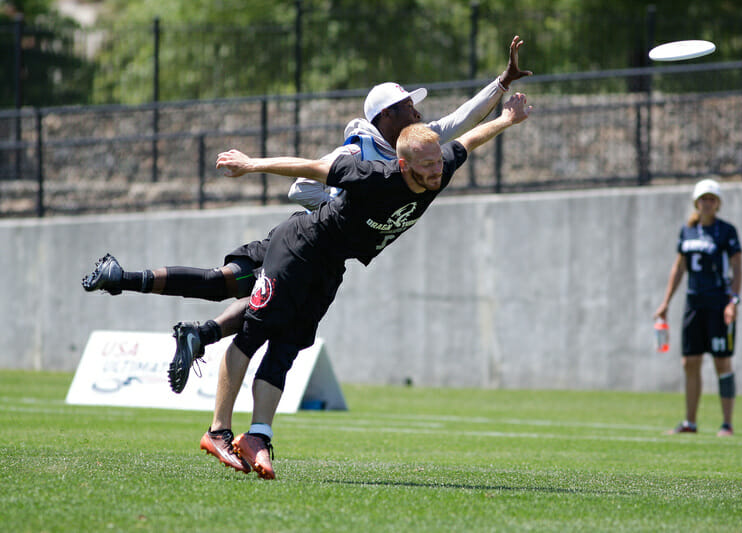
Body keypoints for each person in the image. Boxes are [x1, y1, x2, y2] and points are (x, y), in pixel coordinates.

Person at [82, 36, 532, 393]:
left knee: (225, 283)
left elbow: (463, 120)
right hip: (306, 242)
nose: (418, 109)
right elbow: (302, 187)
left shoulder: (413, 145)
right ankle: (201, 342)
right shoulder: (357, 154)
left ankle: (126, 282)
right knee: (266, 304)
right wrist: (343, 208)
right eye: (408, 105)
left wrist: (502, 82)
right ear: (387, 116)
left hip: (310, 242)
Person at [203, 92, 531, 479]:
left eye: (437, 162)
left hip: (331, 263)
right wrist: (249, 164)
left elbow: (469, 138)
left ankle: (258, 435)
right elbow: (309, 167)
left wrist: (508, 119)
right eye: (426, 166)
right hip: (300, 244)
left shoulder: (439, 165)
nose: (436, 172)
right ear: (403, 164)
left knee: (288, 346)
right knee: (254, 330)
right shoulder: (372, 175)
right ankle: (218, 430)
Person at [653, 179, 742, 437]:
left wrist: (733, 301)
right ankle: (690, 422)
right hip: (694, 305)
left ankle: (727, 423)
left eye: (712, 199)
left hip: (718, 304)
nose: (707, 203)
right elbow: (679, 268)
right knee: (690, 362)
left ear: (718, 204)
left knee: (722, 362)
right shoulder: (687, 231)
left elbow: (737, 268)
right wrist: (666, 303)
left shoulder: (726, 232)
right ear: (696, 202)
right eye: (703, 198)